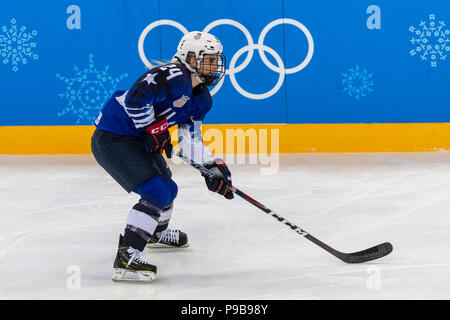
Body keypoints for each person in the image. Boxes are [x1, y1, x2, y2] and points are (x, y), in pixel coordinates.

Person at [91, 31, 234, 282]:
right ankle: (126, 259)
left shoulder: (202, 99)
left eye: (215, 60)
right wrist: (153, 128)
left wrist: (214, 167)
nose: (215, 65)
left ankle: (154, 232)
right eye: (209, 59)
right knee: (155, 193)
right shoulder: (172, 74)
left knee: (169, 189)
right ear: (190, 57)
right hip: (114, 137)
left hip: (138, 140)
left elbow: (190, 140)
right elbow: (136, 99)